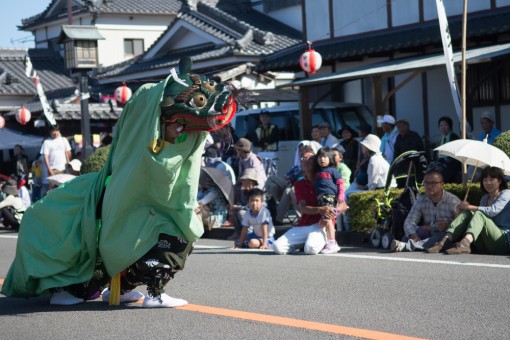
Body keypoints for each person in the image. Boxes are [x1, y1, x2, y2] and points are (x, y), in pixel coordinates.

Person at [1, 58, 239, 307]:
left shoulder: (170, 136)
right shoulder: (143, 137)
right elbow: (153, 165)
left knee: (160, 232)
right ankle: (146, 292)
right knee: (166, 235)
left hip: (125, 199)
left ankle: (123, 288)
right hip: (111, 202)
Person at [272, 147, 342, 255]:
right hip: (304, 225)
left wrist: (330, 215)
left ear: (316, 161)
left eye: (310, 157)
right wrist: (321, 209)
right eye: (303, 158)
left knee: (310, 249)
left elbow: (344, 205)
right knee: (277, 247)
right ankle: (303, 242)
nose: (306, 160)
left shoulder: (327, 180)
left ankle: (318, 242)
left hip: (321, 225)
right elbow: (303, 209)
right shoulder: (299, 184)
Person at [427, 167, 510, 255]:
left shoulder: (506, 194)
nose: (488, 183)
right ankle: (444, 242)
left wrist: (469, 206)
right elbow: (478, 218)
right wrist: (462, 210)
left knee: (478, 213)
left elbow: (492, 211)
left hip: (502, 241)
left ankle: (464, 244)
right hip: (485, 243)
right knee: (468, 213)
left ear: (500, 181)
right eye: (485, 180)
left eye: (491, 179)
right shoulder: (484, 198)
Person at [390, 170, 461, 252]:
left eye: (433, 183)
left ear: (442, 185)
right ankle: (415, 244)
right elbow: (409, 221)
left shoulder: (453, 201)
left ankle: (406, 246)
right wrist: (414, 235)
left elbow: (460, 224)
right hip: (426, 232)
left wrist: (447, 225)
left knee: (439, 236)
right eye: (426, 183)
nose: (429, 186)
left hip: (443, 234)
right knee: (409, 234)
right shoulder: (421, 200)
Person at [313, 147, 346, 254]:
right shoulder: (317, 171)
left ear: (330, 158)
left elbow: (340, 183)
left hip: (329, 197)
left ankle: (332, 243)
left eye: (325, 157)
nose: (322, 159)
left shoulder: (333, 170)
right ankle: (330, 242)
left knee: (327, 219)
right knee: (328, 219)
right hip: (321, 198)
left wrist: (341, 196)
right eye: (320, 157)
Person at [228, 168, 260, 240]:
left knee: (241, 212)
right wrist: (235, 206)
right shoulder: (244, 190)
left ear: (251, 182)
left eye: (244, 181)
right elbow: (241, 202)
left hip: (258, 212)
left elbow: (253, 206)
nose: (242, 183)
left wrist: (238, 207)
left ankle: (250, 233)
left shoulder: (257, 191)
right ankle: (238, 233)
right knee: (235, 211)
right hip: (248, 210)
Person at [40, 125, 72, 196]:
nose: (55, 133)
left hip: (64, 169)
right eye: (53, 131)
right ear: (50, 132)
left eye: (56, 130)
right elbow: (46, 157)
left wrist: (68, 165)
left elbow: (68, 152)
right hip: (53, 169)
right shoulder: (47, 142)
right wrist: (49, 170)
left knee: (65, 190)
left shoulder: (64, 140)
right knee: (54, 192)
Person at [393, 119, 424, 187]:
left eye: (403, 126)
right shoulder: (398, 138)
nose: (401, 128)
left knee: (412, 186)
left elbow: (417, 152)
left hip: (415, 166)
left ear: (407, 126)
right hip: (402, 167)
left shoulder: (414, 136)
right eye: (399, 127)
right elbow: (396, 153)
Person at [433, 116, 461, 183]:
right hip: (443, 164)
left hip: (453, 164)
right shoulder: (440, 139)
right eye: (441, 125)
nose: (443, 127)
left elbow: (454, 155)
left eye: (445, 125)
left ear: (450, 126)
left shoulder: (454, 137)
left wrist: (444, 163)